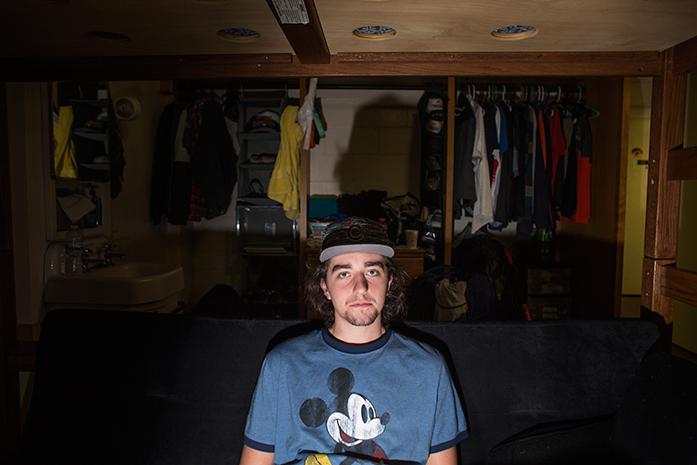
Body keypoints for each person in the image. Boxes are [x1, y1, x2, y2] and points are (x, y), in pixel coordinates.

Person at [240, 217, 468, 465]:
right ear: (325, 287)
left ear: (389, 283)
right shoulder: (282, 364)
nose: (360, 287)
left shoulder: (429, 368)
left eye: (372, 271)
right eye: (344, 273)